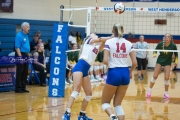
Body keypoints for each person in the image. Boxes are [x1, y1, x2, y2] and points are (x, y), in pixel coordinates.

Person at [62, 33, 113, 120]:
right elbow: (100, 39)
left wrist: (109, 39)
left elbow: (102, 44)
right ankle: (66, 113)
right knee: (76, 90)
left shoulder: (95, 48)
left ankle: (82, 115)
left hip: (85, 70)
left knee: (89, 94)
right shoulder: (88, 42)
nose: (96, 35)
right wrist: (111, 37)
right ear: (90, 37)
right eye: (94, 35)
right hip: (79, 67)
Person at [101, 23, 137, 120]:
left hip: (114, 72)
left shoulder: (108, 42)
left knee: (105, 103)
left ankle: (112, 117)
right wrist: (130, 72)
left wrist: (111, 66)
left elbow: (105, 61)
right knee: (118, 104)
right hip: (125, 73)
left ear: (113, 31)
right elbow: (134, 63)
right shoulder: (129, 43)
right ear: (123, 31)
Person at [146, 33, 178, 99]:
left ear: (170, 38)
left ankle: (166, 93)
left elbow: (176, 54)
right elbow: (155, 50)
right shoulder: (160, 44)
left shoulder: (173, 45)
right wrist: (154, 54)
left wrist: (176, 62)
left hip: (167, 62)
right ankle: (149, 91)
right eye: (165, 37)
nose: (166, 38)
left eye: (168, 37)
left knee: (166, 78)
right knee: (155, 76)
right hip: (160, 61)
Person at [15, 22, 30, 93]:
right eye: (27, 27)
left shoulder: (26, 35)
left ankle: (23, 87)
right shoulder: (19, 35)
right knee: (20, 71)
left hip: (26, 55)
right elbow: (17, 47)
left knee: (25, 72)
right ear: (23, 28)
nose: (29, 28)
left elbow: (26, 47)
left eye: (29, 27)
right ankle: (18, 88)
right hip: (20, 54)